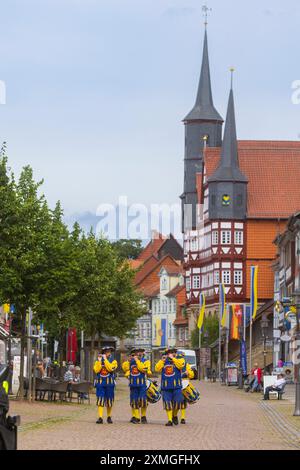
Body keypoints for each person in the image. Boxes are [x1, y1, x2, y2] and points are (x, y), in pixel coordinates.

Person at [155, 348, 185, 427]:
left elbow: (181, 366)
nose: (172, 354)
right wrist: (162, 360)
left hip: (177, 386)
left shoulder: (180, 360)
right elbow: (157, 368)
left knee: (178, 402)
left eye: (174, 352)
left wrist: (173, 359)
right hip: (166, 387)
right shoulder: (164, 362)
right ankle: (170, 420)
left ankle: (174, 415)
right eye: (170, 353)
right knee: (167, 403)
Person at [122, 348, 151, 424]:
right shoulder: (131, 362)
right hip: (133, 384)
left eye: (140, 352)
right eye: (137, 353)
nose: (138, 354)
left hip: (142, 384)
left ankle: (143, 416)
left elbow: (143, 369)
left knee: (143, 400)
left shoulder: (146, 361)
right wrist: (129, 360)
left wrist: (137, 361)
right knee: (134, 401)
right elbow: (124, 368)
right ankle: (137, 417)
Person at [93, 346, 118, 424]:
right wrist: (100, 361)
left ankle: (109, 416)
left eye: (109, 352)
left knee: (109, 400)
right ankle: (100, 417)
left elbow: (110, 368)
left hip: (109, 383)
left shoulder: (114, 361)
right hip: (100, 383)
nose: (107, 353)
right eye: (106, 352)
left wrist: (106, 360)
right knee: (100, 399)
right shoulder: (98, 361)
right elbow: (96, 370)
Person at [177, 351, 194, 425]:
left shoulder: (186, 365)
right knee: (176, 402)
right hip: (175, 385)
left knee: (183, 402)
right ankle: (174, 416)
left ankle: (183, 418)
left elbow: (192, 375)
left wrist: (188, 373)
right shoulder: (173, 364)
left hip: (184, 385)